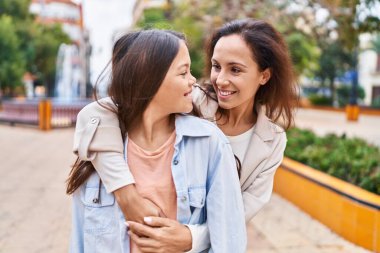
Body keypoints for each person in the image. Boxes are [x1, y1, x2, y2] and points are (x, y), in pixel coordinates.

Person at [72, 18, 297, 252]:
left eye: (236, 69)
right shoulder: (188, 100)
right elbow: (96, 116)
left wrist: (191, 238)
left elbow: (237, 217)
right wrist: (127, 194)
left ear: (264, 76)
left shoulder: (271, 141)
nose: (220, 80)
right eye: (216, 66)